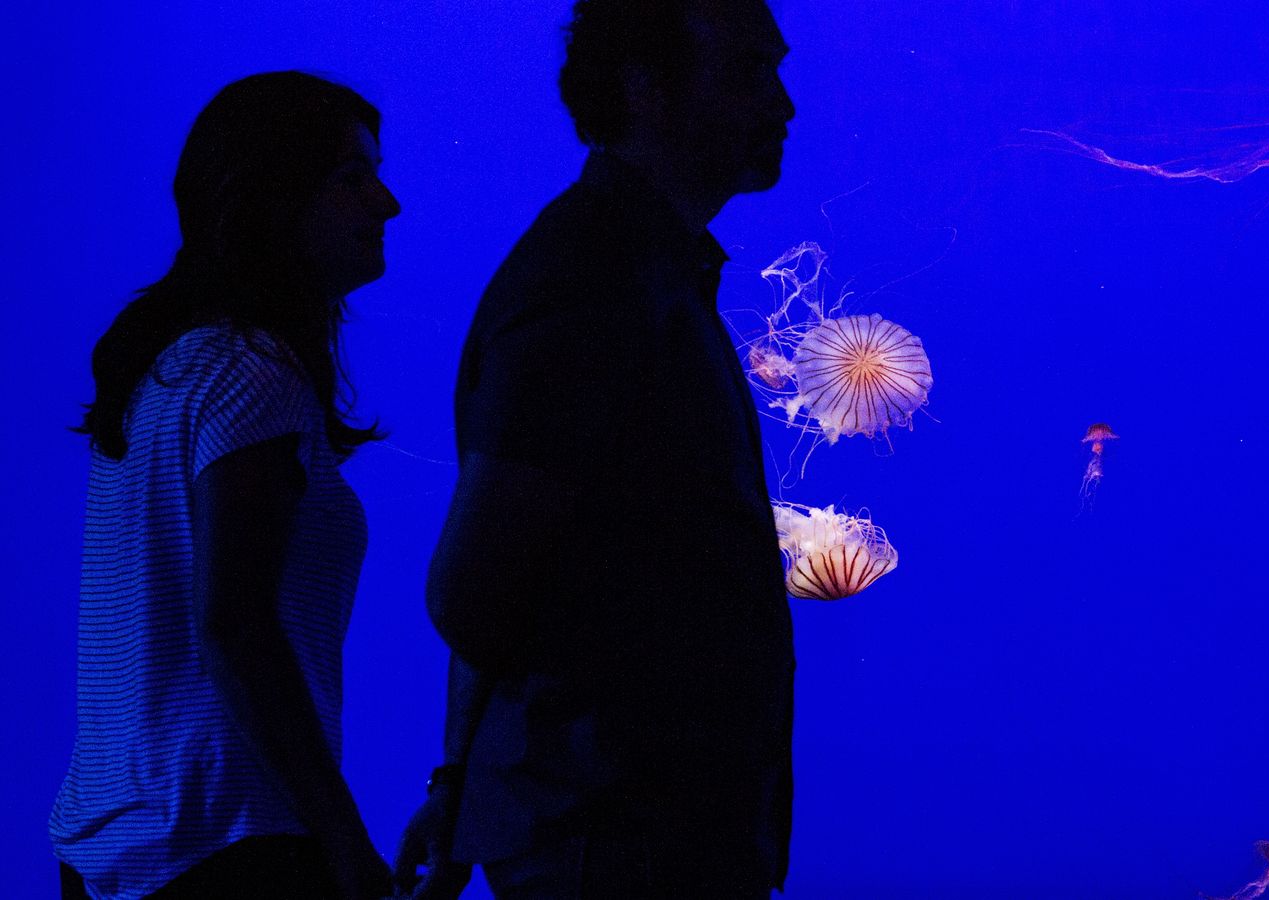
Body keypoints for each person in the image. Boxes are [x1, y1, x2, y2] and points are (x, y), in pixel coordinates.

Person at [393, 1, 796, 897]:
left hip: (628, 829)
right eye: (748, 72)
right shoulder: (593, 283)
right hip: (610, 837)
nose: (784, 106)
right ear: (647, 90)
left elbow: (524, 550)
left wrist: (461, 781)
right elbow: (471, 592)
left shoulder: (646, 271)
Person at [51, 71, 401, 900]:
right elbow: (236, 628)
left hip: (109, 855)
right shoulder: (251, 370)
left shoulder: (164, 373)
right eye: (352, 178)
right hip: (230, 846)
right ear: (270, 201)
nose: (386, 204)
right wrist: (348, 847)